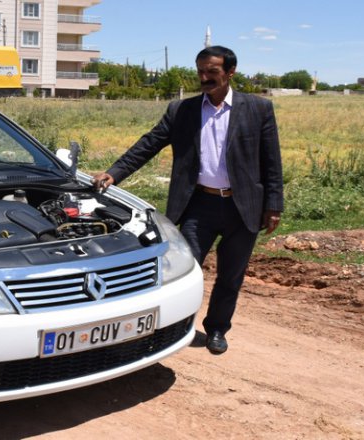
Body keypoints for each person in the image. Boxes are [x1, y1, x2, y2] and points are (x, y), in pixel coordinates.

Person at [91, 45, 283, 355]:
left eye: (212, 72)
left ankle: (217, 329)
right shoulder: (182, 111)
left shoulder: (258, 109)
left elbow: (272, 161)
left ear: (230, 72)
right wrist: (114, 173)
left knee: (230, 275)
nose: (205, 78)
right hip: (199, 206)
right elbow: (148, 144)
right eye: (201, 72)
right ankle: (176, 327)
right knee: (184, 270)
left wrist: (274, 206)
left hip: (242, 207)